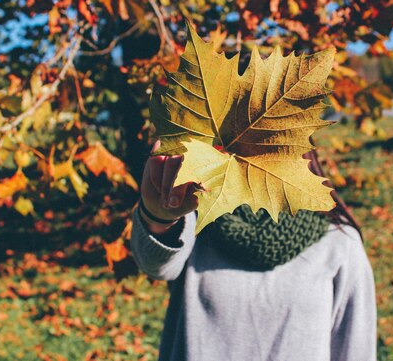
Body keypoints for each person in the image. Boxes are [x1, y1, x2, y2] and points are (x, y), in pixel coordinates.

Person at [130, 146, 377, 361]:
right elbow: (157, 264)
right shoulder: (196, 219)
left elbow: (355, 351)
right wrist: (158, 217)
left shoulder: (338, 243)